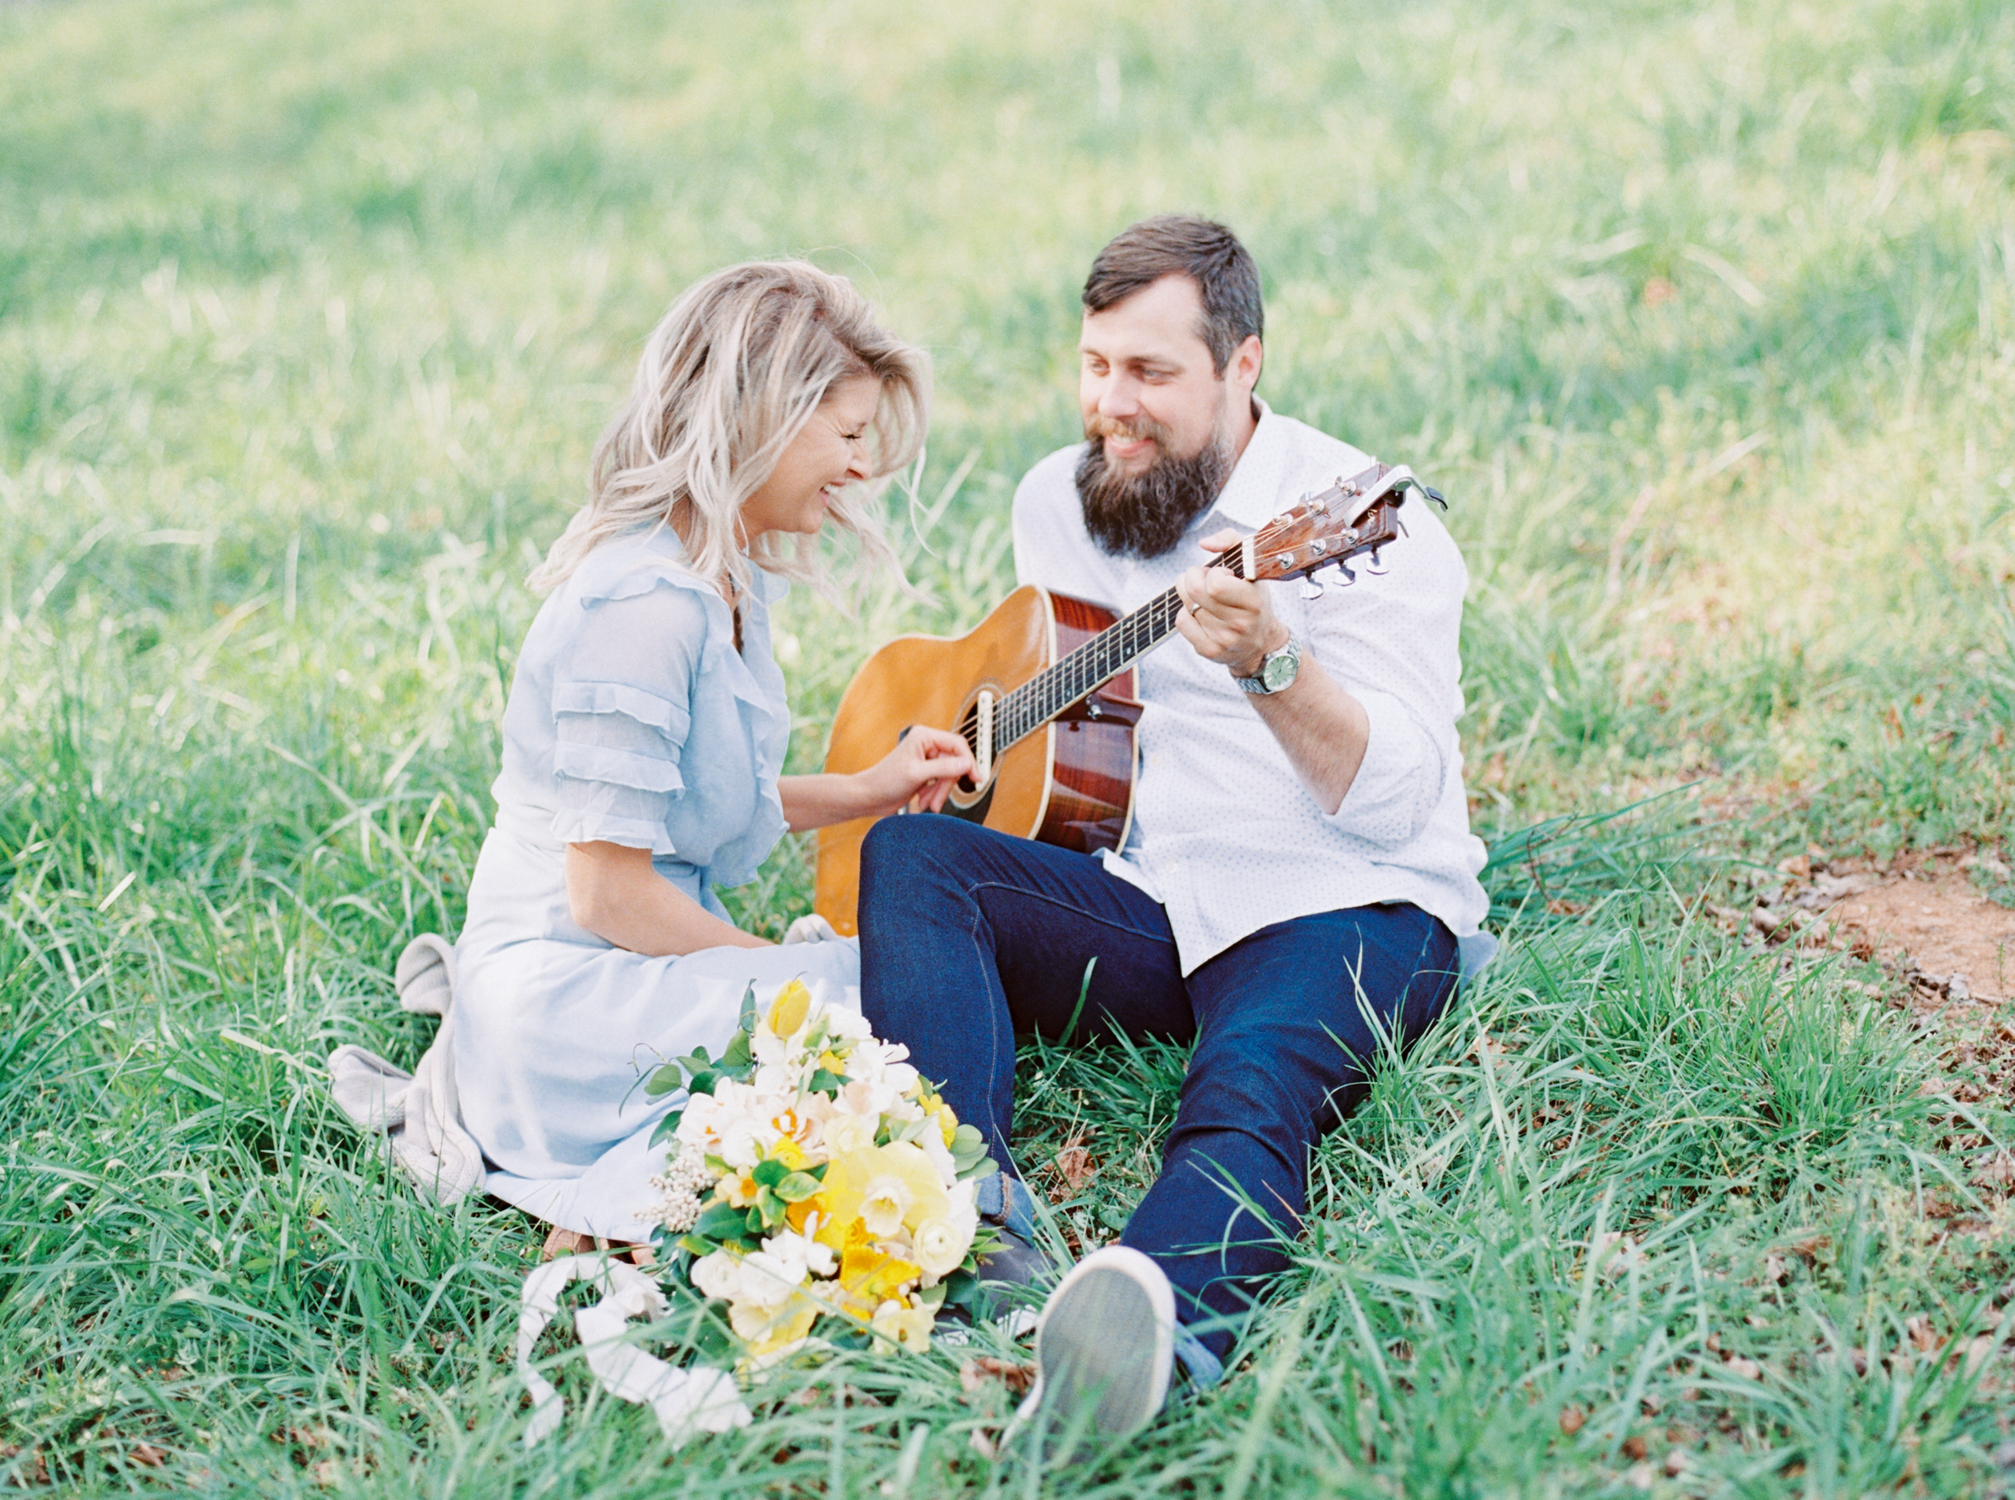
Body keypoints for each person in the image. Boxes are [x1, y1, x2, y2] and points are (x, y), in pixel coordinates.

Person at [856, 217, 1492, 1439]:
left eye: (1150, 374)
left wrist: (1273, 665)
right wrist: (992, 755)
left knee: (1249, 1083)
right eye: (1095, 365)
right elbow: (1064, 709)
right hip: (1154, 894)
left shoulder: (1362, 526)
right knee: (910, 855)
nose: (1112, 405)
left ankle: (1139, 1336)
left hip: (1339, 898)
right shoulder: (1056, 497)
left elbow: (1399, 802)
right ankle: (964, 1218)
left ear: (1243, 365)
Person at [336, 262, 974, 1252]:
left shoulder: (722, 572)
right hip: (561, 1003)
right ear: (763, 417)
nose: (858, 469)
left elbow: (678, 800)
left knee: (901, 991)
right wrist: (778, 971)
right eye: (846, 436)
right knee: (875, 1004)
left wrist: (869, 788)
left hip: (625, 965)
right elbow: (607, 897)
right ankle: (624, 1199)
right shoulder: (640, 610)